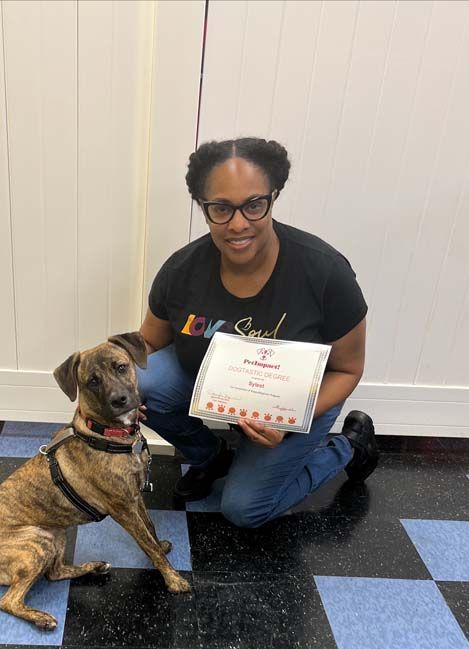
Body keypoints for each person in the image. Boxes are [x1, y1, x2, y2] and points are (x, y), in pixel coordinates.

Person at [137, 137, 378, 529]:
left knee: (244, 510)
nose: (237, 223)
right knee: (137, 381)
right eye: (221, 208)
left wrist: (288, 420)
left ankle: (347, 446)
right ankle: (211, 456)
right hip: (216, 386)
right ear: (203, 206)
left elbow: (347, 370)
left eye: (253, 205)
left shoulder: (325, 272)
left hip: (297, 402)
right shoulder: (181, 272)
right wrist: (109, 389)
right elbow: (148, 343)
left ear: (273, 196)